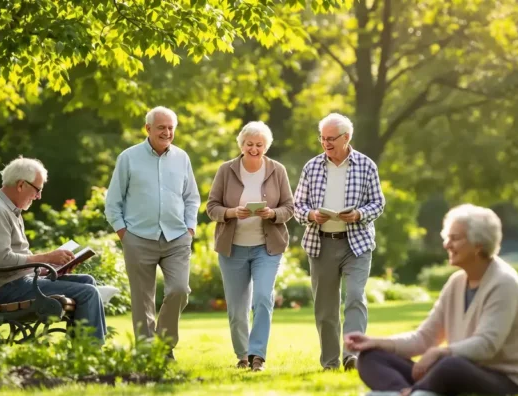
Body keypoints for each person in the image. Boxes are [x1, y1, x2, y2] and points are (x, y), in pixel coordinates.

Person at [345, 204, 518, 396]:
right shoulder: (456, 283)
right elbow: (424, 338)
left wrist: (441, 351)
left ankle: (411, 395)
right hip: (461, 371)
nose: (447, 244)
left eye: (455, 238)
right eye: (447, 238)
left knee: (449, 365)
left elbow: (486, 346)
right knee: (370, 357)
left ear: (478, 244)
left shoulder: (503, 283)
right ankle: (413, 395)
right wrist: (376, 342)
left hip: (506, 382)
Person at [0, 157, 107, 341]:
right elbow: (3, 260)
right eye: (37, 189)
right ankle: (91, 350)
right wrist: (47, 258)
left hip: (17, 282)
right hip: (6, 289)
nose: (39, 196)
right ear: (21, 185)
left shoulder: (9, 209)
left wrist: (47, 268)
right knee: (88, 292)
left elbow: (15, 260)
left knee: (87, 281)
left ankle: (81, 345)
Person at [105, 106, 200, 358]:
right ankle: (148, 352)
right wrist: (123, 233)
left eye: (170, 128)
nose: (167, 132)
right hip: (138, 238)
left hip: (176, 237)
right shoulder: (128, 157)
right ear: (148, 128)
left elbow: (192, 197)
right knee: (142, 300)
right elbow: (113, 201)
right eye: (161, 128)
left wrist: (190, 228)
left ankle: (164, 345)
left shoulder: (182, 158)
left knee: (179, 290)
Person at [293, 113, 386, 371]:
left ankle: (352, 356)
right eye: (322, 138)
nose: (326, 143)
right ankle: (330, 362)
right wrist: (311, 215)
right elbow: (297, 205)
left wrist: (359, 214)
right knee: (325, 308)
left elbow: (378, 203)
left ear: (346, 138)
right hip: (321, 243)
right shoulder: (312, 167)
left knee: (355, 297)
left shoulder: (366, 165)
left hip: (356, 244)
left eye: (331, 138)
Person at [206, 121, 295, 372]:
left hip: (266, 248)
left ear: (266, 146)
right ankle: (243, 355)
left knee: (263, 298)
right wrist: (232, 212)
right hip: (232, 248)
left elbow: (289, 207)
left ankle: (258, 356)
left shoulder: (277, 170)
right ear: (241, 144)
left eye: (259, 144)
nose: (254, 149)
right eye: (249, 144)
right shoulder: (226, 170)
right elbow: (212, 207)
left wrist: (272, 213)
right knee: (237, 308)